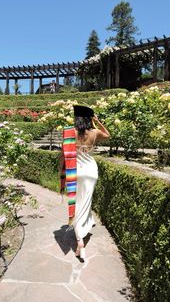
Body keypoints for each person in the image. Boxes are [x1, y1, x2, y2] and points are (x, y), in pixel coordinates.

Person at [60, 105, 110, 262]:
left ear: (76, 119)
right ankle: (86, 226)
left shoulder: (70, 132)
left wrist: (62, 173)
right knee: (86, 203)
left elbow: (64, 154)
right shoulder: (94, 133)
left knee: (78, 204)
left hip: (76, 172)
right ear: (89, 119)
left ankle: (80, 239)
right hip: (91, 171)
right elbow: (108, 135)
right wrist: (98, 122)